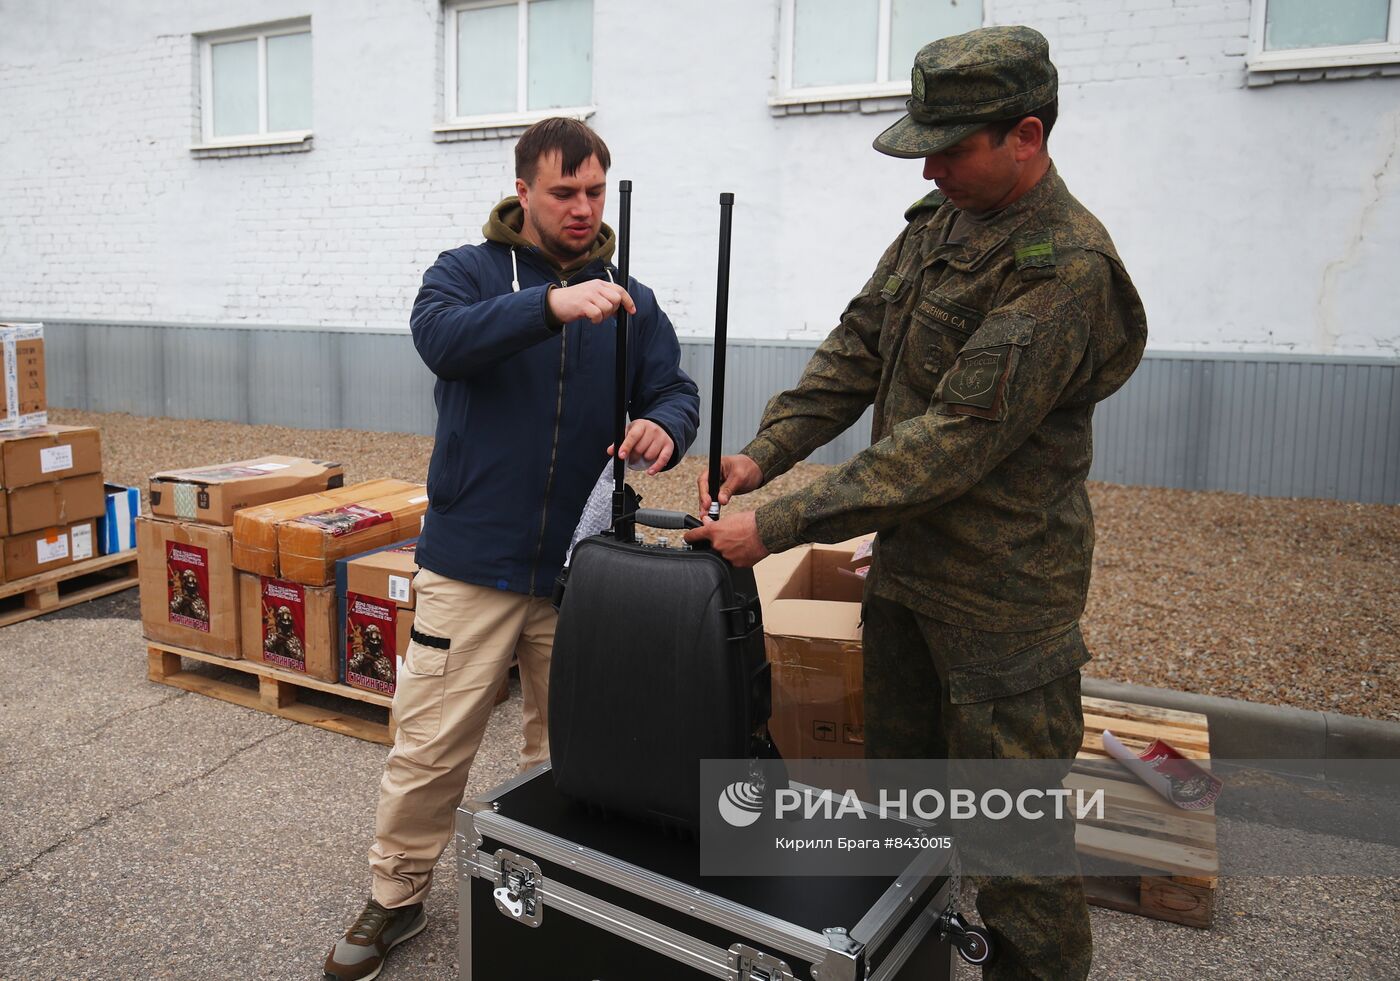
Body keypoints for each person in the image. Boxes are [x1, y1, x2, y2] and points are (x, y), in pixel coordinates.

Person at [685, 26, 1147, 980]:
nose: (930, 165)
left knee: (1015, 849)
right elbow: (857, 346)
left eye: (951, 146)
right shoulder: (940, 225)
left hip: (1003, 608)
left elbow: (946, 446)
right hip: (907, 579)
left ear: (1026, 134)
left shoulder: (1063, 271)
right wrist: (763, 453)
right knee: (901, 799)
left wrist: (772, 524)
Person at [325, 117, 700, 981]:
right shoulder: (468, 272)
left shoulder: (629, 294)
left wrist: (664, 428)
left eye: (595, 192)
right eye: (563, 192)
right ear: (522, 190)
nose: (581, 208)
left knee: (573, 749)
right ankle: (396, 896)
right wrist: (548, 305)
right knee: (429, 744)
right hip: (471, 562)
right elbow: (443, 342)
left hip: (586, 569)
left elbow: (674, 387)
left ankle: (561, 889)